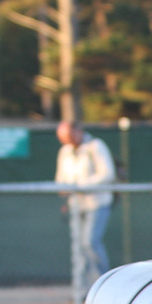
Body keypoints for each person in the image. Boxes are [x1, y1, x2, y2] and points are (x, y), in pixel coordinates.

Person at [54, 120, 116, 281]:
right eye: (62, 138)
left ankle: (103, 283)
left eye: (68, 136)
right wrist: (64, 188)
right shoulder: (65, 151)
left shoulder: (95, 146)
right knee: (78, 248)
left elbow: (107, 173)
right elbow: (61, 177)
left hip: (97, 203)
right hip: (75, 205)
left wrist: (82, 186)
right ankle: (81, 289)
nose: (66, 141)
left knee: (90, 242)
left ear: (78, 132)